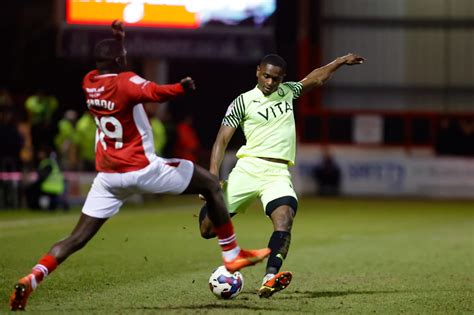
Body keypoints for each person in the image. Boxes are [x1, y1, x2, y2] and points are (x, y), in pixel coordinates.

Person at [9, 20, 270, 311]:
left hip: (108, 177)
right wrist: (180, 88)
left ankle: (32, 279)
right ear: (120, 61)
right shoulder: (127, 82)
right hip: (143, 170)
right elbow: (155, 92)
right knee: (211, 184)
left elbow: (114, 65)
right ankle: (231, 253)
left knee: (76, 238)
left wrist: (117, 38)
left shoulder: (89, 83)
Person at [198, 53, 365, 298]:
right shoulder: (242, 102)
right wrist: (212, 177)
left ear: (282, 79)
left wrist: (339, 62)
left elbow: (316, 78)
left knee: (285, 218)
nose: (269, 82)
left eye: (275, 79)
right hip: (248, 169)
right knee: (207, 228)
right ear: (258, 72)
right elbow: (222, 139)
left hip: (276, 173)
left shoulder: (288, 91)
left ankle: (270, 277)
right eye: (266, 76)